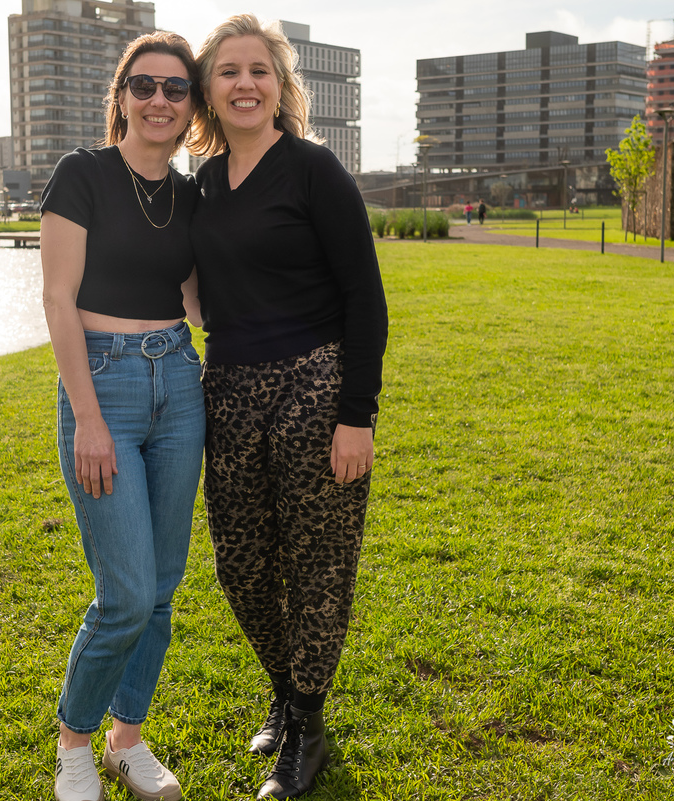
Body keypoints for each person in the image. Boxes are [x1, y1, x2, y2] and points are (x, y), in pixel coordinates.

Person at [189, 15, 388, 800]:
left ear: (280, 86)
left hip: (315, 382)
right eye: (228, 71)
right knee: (241, 564)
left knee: (318, 565)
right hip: (230, 386)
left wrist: (357, 412)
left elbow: (364, 297)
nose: (244, 83)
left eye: (259, 71)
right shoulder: (199, 183)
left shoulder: (314, 170)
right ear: (210, 90)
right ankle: (286, 685)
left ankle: (305, 723)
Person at [40, 31, 204, 801]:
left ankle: (125, 740)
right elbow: (57, 300)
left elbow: (200, 300)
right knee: (127, 592)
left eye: (175, 88)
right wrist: (89, 417)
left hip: (179, 377)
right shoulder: (82, 175)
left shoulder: (192, 193)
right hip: (103, 385)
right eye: (145, 85)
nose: (159, 100)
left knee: (164, 586)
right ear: (122, 95)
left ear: (190, 104)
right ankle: (75, 742)